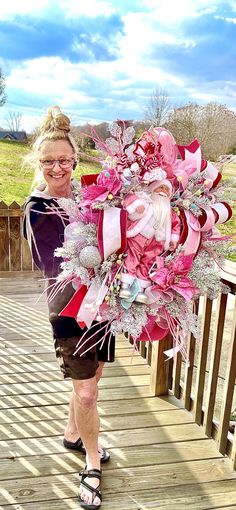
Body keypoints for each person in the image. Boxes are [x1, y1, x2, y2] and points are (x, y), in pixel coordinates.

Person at [23, 106, 114, 510]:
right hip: (68, 309)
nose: (56, 168)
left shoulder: (94, 196)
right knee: (88, 392)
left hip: (106, 304)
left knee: (93, 376)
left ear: (75, 160)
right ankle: (92, 463)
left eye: (63, 160)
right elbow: (55, 264)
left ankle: (73, 435)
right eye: (47, 162)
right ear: (38, 164)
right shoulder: (37, 208)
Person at [119, 179, 181, 303]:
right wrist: (137, 206)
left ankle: (141, 289)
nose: (163, 191)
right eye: (160, 188)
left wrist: (173, 240)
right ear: (153, 189)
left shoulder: (169, 213)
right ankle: (125, 285)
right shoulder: (147, 201)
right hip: (139, 236)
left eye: (166, 189)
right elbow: (130, 198)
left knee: (147, 263)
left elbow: (175, 226)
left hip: (157, 241)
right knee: (132, 258)